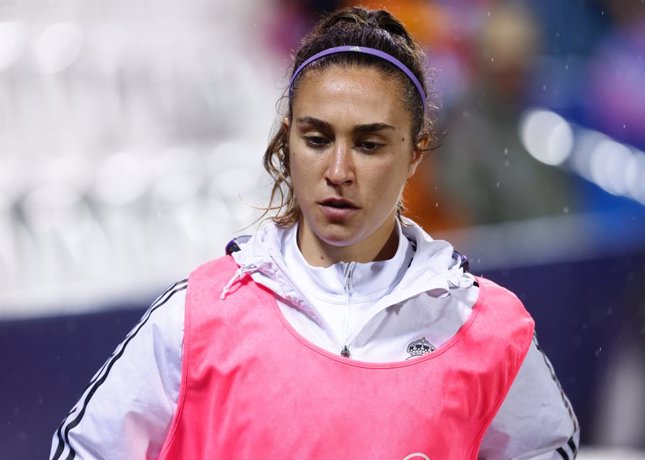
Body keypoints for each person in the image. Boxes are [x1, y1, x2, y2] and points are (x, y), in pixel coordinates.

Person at [50, 7, 579, 459]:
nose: (339, 170)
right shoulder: (199, 319)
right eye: (317, 138)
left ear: (415, 153)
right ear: (288, 141)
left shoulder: (485, 328)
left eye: (369, 144)